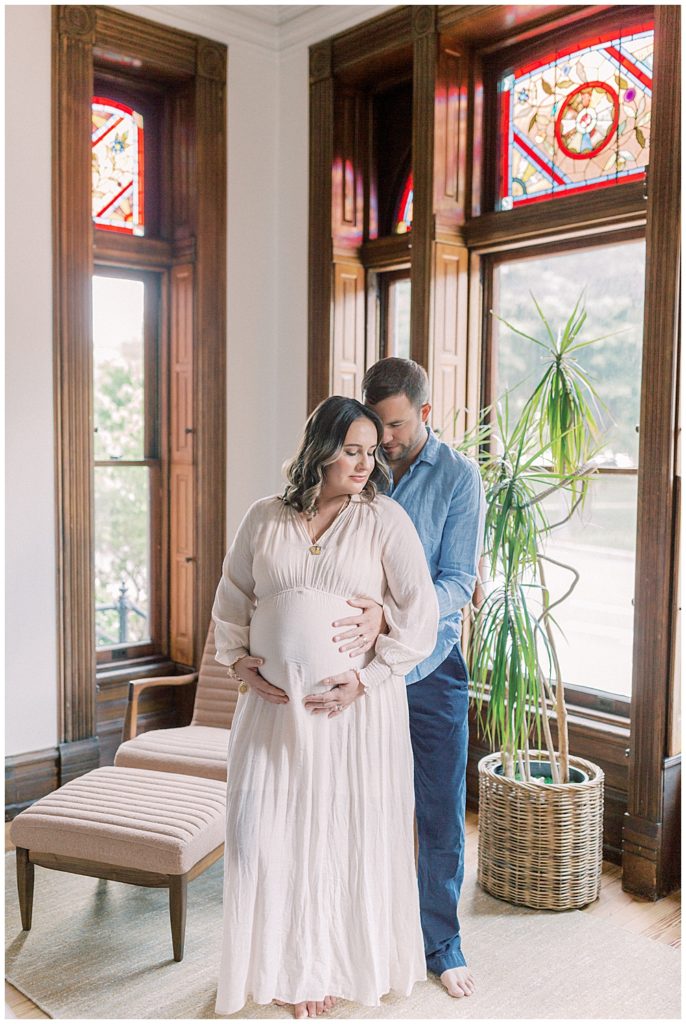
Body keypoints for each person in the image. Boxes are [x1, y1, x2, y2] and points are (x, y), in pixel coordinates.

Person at [212, 395, 439, 1019]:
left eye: (372, 452)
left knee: (340, 836)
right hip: (272, 710)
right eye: (351, 450)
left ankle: (322, 969)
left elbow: (421, 615)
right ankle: (271, 963)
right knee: (261, 835)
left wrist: (367, 676)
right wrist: (236, 662)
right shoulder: (263, 517)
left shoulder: (385, 519)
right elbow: (232, 600)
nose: (365, 463)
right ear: (320, 449)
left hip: (353, 713)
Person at [338, 357, 484, 1000]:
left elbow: (458, 581)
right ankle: (355, 931)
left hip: (429, 668)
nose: (385, 440)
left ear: (425, 413)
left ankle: (440, 943)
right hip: (355, 666)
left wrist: (391, 613)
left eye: (395, 425)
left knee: (438, 812)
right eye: (376, 425)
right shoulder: (356, 464)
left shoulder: (458, 477)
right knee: (354, 803)